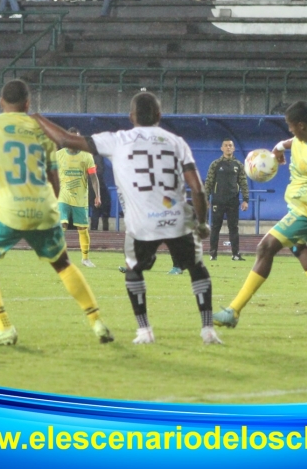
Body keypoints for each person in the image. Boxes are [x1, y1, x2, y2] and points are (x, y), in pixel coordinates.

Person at [32, 91, 223, 345]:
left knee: (134, 270)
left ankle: (145, 331)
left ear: (131, 117)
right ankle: (208, 330)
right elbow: (197, 189)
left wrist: (35, 116)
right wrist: (202, 223)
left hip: (142, 224)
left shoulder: (117, 140)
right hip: (177, 219)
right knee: (197, 269)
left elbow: (65, 139)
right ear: (159, 115)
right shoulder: (177, 142)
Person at [0, 80, 114, 346]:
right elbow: (54, 179)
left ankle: (3, 326)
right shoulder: (42, 131)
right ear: (28, 103)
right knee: (63, 264)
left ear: (1, 102)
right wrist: (49, 207)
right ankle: (97, 321)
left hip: (9, 211)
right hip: (43, 208)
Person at [213, 101, 307, 329]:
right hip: (299, 205)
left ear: (302, 125)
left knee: (265, 248)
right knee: (299, 248)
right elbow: (295, 140)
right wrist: (280, 146)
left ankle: (233, 311)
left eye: (291, 126)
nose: (290, 130)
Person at [57, 127, 101, 267]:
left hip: (81, 198)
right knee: (62, 224)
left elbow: (93, 178)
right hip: (63, 196)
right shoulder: (58, 156)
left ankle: (85, 259)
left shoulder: (86, 156)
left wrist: (98, 196)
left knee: (82, 228)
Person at [204, 138, 250, 261]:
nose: (228, 147)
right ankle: (213, 254)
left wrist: (246, 200)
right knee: (215, 228)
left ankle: (235, 254)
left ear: (233, 148)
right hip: (218, 201)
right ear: (222, 148)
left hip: (233, 201)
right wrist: (205, 198)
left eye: (230, 145)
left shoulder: (238, 165)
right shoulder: (215, 164)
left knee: (233, 228)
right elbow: (208, 182)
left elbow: (243, 183)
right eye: (226, 145)